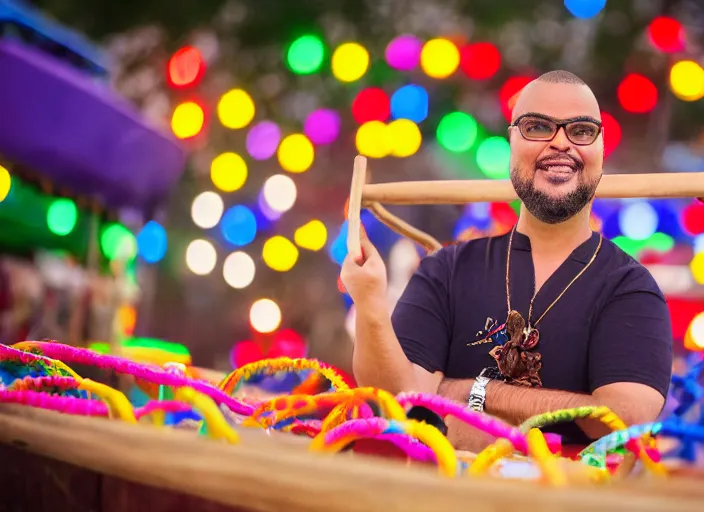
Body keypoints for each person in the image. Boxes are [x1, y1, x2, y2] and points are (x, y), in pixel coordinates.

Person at [340, 70, 673, 451]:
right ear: (511, 141)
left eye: (581, 131)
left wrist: (474, 392)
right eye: (537, 127)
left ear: (599, 149)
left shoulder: (631, 289)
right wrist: (368, 304)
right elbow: (397, 402)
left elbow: (623, 420)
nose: (561, 144)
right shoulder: (447, 269)